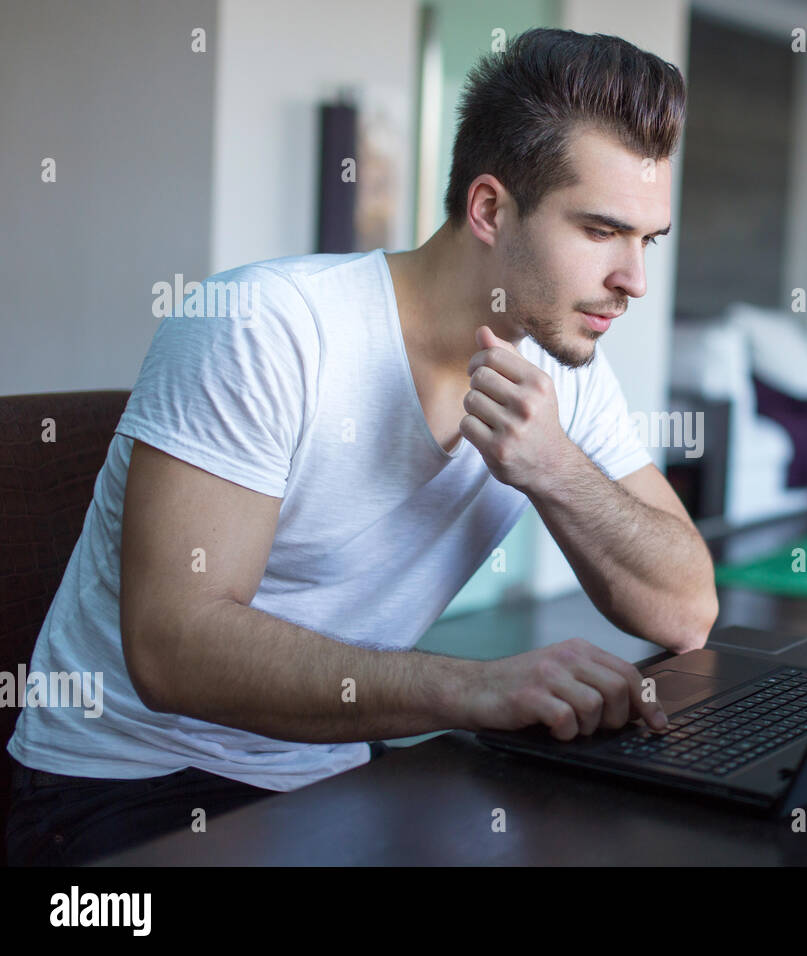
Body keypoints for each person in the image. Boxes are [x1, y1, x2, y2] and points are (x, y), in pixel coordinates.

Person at [6, 27, 717, 866]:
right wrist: (474, 687)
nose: (634, 279)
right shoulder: (265, 326)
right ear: (490, 208)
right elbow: (174, 646)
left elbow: (685, 608)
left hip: (332, 771)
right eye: (603, 231)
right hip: (125, 790)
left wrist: (555, 468)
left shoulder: (565, 368)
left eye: (648, 240)